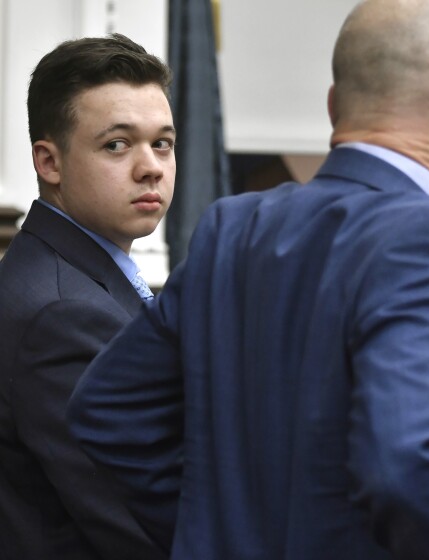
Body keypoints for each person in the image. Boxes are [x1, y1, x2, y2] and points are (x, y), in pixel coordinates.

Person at [68, 1, 429, 558]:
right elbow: (408, 466)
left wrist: (216, 534)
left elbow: (107, 412)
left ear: (334, 106)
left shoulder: (234, 227)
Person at [0, 34, 173, 559]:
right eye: (116, 145)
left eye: (162, 142)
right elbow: (136, 523)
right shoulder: (62, 311)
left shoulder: (74, 273)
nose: (151, 168)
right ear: (49, 163)